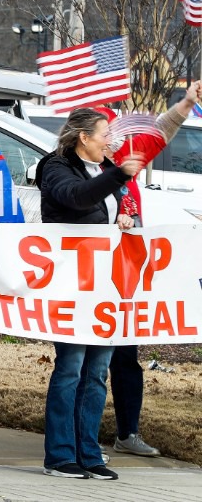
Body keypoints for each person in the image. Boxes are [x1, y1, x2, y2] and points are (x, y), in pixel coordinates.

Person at [34, 108, 144, 480]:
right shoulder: (56, 167)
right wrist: (116, 174)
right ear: (84, 137)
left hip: (106, 288)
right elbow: (76, 198)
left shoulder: (107, 169)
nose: (109, 141)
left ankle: (89, 453)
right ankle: (61, 455)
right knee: (70, 368)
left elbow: (113, 214)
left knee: (97, 372)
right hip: (71, 286)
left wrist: (125, 221)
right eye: (104, 134)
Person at [102, 83, 202, 458]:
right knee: (85, 366)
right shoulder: (80, 172)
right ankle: (75, 439)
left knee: (126, 359)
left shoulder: (128, 163)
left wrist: (188, 102)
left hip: (126, 281)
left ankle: (127, 432)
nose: (116, 141)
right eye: (109, 134)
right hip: (90, 285)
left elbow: (160, 131)